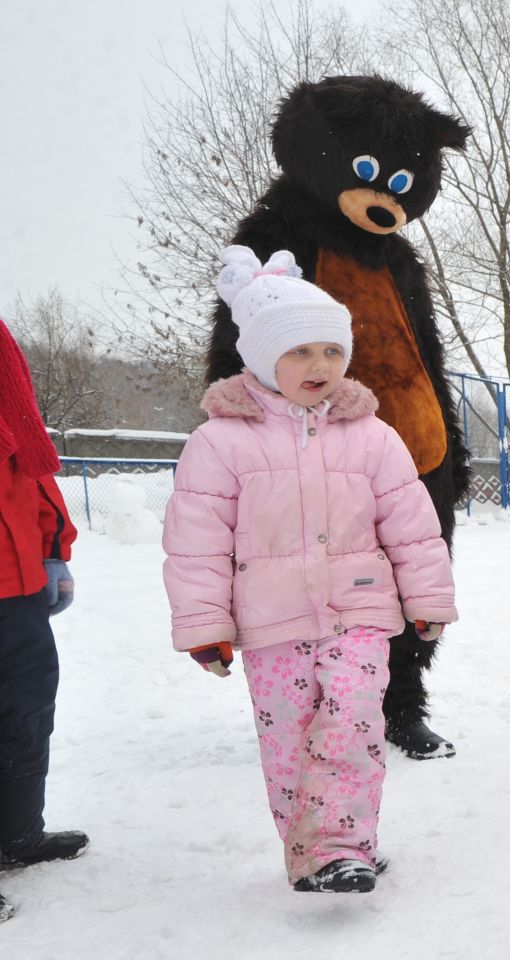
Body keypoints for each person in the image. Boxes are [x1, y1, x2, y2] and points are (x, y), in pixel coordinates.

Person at [164, 248, 457, 894]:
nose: (319, 365)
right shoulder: (220, 442)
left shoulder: (372, 435)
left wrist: (428, 597)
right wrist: (205, 625)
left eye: (331, 350)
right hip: (270, 623)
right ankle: (309, 851)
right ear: (263, 357)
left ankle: (346, 845)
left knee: (354, 720)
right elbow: (196, 543)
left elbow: (412, 524)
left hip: (359, 612)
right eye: (300, 352)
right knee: (292, 743)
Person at [0, 318, 86, 923]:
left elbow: (29, 461)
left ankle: (17, 834)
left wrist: (54, 549)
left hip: (19, 584)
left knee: (27, 710)